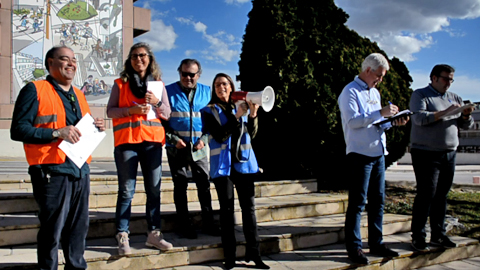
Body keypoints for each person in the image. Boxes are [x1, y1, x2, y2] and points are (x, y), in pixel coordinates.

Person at [10, 45, 106, 270]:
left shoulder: (79, 94)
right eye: (65, 59)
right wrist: (56, 132)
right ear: (50, 63)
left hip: (80, 169)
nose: (71, 64)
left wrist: (96, 126)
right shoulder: (34, 89)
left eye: (73, 60)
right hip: (51, 171)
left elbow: (79, 130)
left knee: (77, 231)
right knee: (52, 231)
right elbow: (18, 130)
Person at [338, 53, 408, 265]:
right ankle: (354, 248)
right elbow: (352, 121)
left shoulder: (375, 93)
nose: (380, 80)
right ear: (368, 70)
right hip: (360, 153)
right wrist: (381, 113)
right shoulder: (349, 91)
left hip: (378, 153)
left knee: (378, 201)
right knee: (358, 202)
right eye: (379, 75)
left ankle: (376, 242)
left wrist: (393, 122)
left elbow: (376, 124)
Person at [106, 42, 173, 255]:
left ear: (150, 59)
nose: (138, 59)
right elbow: (110, 111)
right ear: (130, 60)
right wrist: (130, 110)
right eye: (134, 56)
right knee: (126, 190)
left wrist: (156, 103)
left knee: (154, 190)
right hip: (127, 143)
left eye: (142, 55)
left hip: (152, 144)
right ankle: (122, 235)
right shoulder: (120, 83)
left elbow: (167, 114)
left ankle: (154, 234)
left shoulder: (159, 85)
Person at [201, 73, 269, 270]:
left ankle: (255, 255)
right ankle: (229, 257)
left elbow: (251, 134)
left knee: (249, 211)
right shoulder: (209, 111)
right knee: (227, 212)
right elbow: (220, 135)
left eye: (224, 83)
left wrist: (253, 115)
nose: (221, 87)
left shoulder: (239, 106)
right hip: (223, 169)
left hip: (244, 166)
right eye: (217, 85)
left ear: (231, 86)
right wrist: (237, 116)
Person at [409, 64, 474, 251]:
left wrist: (465, 115)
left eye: (451, 79)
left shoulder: (455, 98)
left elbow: (466, 127)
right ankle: (418, 236)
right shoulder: (420, 95)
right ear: (434, 78)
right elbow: (419, 119)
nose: (449, 83)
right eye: (445, 78)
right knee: (426, 194)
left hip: (449, 153)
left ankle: (438, 235)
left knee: (441, 196)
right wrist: (446, 112)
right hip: (425, 152)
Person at [164, 59, 219, 239]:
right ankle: (184, 226)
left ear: (199, 75)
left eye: (192, 74)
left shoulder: (207, 92)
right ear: (179, 73)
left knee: (204, 185)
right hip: (176, 148)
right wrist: (173, 139)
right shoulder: (168, 91)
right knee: (180, 187)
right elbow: (161, 123)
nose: (188, 78)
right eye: (184, 74)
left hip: (199, 149)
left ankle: (209, 223)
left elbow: (212, 123)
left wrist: (204, 139)